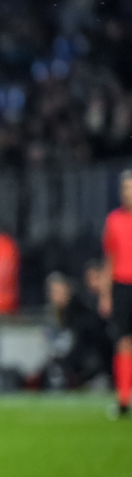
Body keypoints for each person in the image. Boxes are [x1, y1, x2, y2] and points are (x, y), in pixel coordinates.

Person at [39, 272, 112, 390]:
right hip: (71, 369)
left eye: (58, 291)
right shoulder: (52, 316)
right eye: (52, 292)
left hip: (90, 371)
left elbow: (82, 348)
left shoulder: (81, 314)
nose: (54, 296)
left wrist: (69, 369)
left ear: (68, 290)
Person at [102, 169, 132, 417]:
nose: (129, 193)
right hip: (122, 285)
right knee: (123, 341)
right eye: (125, 188)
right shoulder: (113, 220)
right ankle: (123, 399)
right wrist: (106, 294)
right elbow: (109, 258)